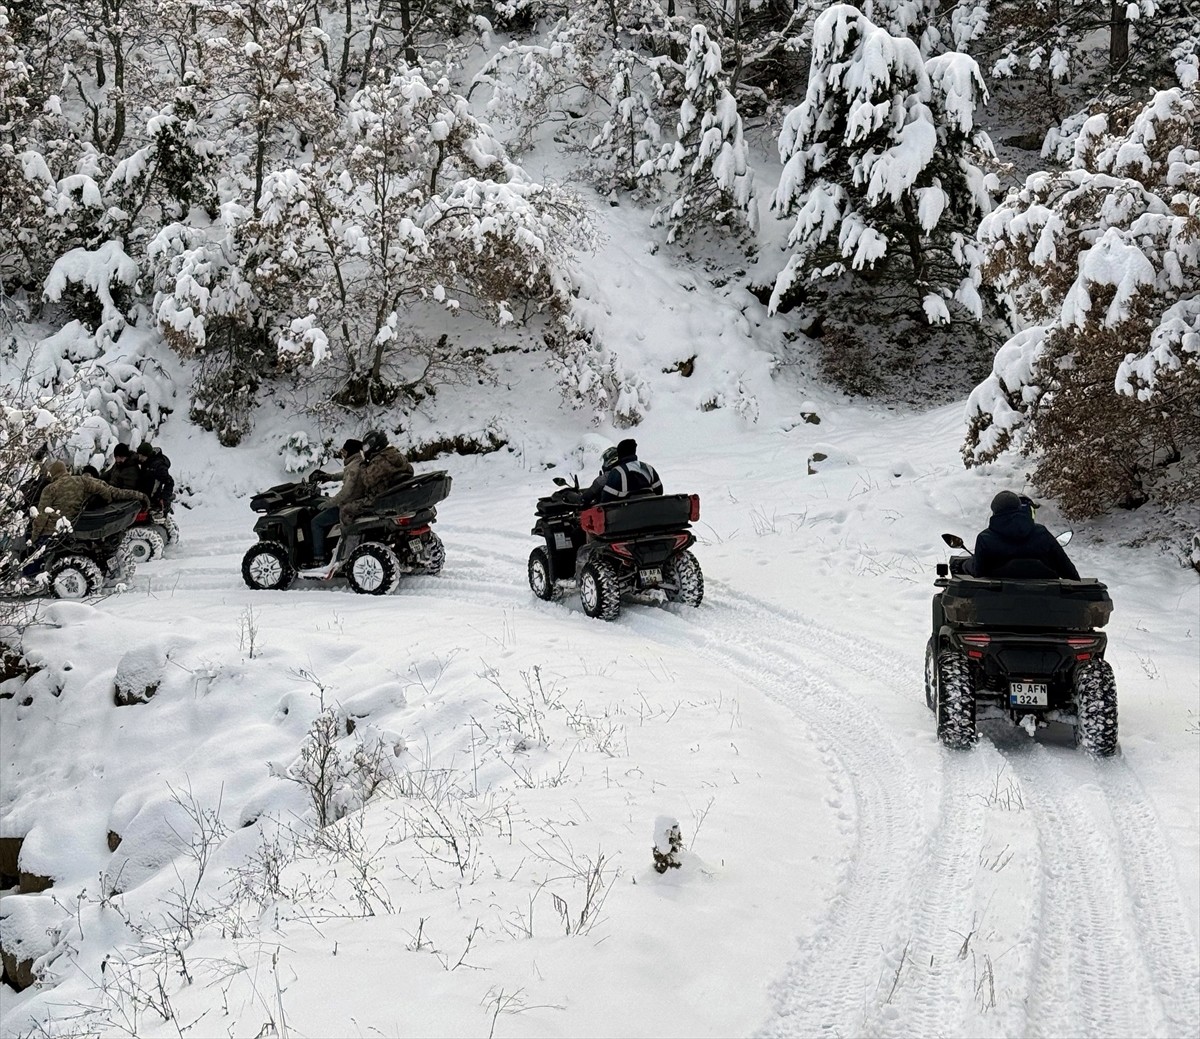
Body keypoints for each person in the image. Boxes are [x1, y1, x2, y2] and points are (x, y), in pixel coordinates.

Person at [26, 460, 148, 572]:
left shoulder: (49, 489)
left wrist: (33, 538)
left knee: (34, 551)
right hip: (75, 526)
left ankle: (30, 576)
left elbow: (42, 517)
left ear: (52, 474)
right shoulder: (82, 481)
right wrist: (112, 499)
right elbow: (108, 490)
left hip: (53, 531)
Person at [969, 491, 1080, 580]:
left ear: (995, 511)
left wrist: (966, 565)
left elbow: (978, 576)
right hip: (1046, 598)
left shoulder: (985, 538)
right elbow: (1067, 570)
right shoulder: (1042, 533)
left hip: (998, 599)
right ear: (1019, 508)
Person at [308, 438, 364, 566]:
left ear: (350, 452)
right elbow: (346, 475)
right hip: (357, 502)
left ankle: (319, 558)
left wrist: (329, 503)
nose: (343, 455)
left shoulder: (353, 467)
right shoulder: (359, 463)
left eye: (344, 452)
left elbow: (345, 493)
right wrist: (329, 477)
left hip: (348, 505)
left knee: (316, 522)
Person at [588, 438, 662, 504]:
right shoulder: (648, 468)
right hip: (652, 509)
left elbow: (607, 499)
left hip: (626, 512)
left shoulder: (617, 472)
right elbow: (659, 491)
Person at [135, 442, 174, 514]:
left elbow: (169, 482)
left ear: (148, 455)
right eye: (139, 455)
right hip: (141, 496)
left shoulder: (159, 467)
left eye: (142, 456)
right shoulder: (145, 462)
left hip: (153, 498)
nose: (140, 458)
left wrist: (164, 498)